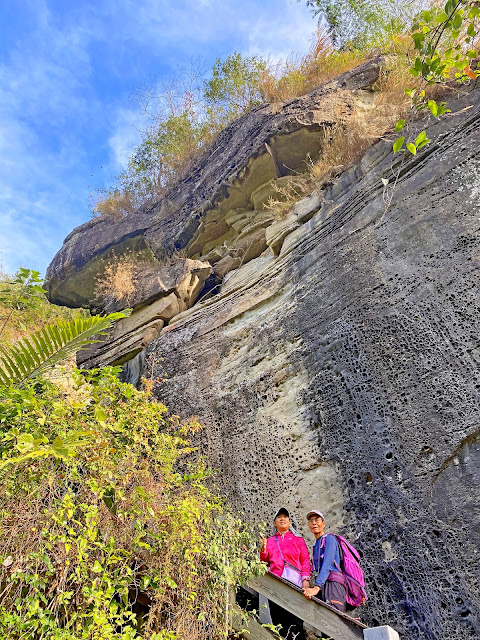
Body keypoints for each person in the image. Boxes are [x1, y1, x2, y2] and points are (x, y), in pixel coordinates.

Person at [260, 507, 310, 640]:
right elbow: (263, 562)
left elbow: (305, 560)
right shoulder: (269, 541)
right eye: (279, 517)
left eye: (285, 517)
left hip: (294, 584)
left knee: (296, 622)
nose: (282, 519)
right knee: (278, 622)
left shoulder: (298, 540)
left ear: (289, 522)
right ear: (274, 523)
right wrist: (264, 549)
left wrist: (306, 579)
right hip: (275, 585)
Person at [302, 510, 347, 613]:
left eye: (317, 519)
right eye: (311, 520)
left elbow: (328, 563)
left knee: (333, 618)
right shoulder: (317, 544)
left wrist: (316, 588)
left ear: (324, 523)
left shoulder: (329, 538)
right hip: (324, 585)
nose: (314, 523)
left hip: (333, 584)